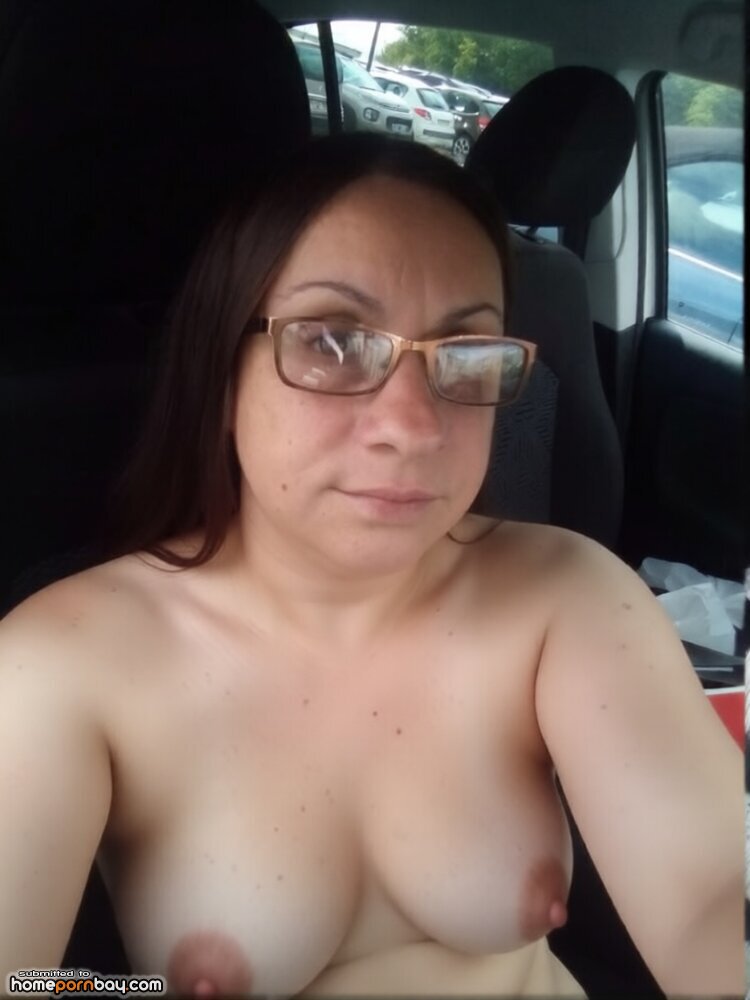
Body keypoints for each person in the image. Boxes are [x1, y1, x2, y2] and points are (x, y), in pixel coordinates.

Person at [0, 134, 743, 999]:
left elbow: (712, 901)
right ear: (221, 371)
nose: (413, 427)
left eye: (465, 352)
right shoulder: (62, 665)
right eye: (332, 342)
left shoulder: (565, 596)